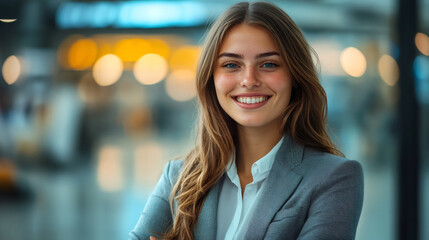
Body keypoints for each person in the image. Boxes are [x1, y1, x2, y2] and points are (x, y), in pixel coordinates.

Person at [129, 1, 364, 240]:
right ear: (212, 79)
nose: (249, 80)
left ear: (295, 76)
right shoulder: (178, 177)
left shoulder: (334, 179)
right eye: (231, 65)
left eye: (269, 64)